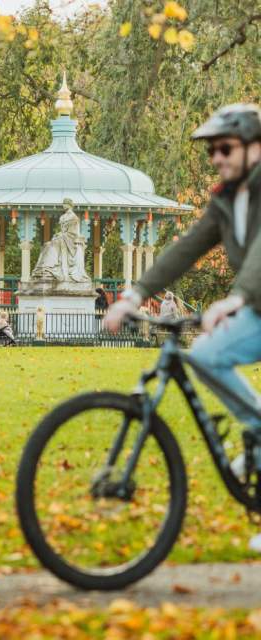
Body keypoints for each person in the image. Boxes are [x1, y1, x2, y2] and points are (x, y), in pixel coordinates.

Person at [104, 103, 261, 549]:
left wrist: (237, 297)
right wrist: (134, 295)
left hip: (254, 300)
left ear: (254, 148)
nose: (217, 158)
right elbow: (186, 249)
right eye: (212, 151)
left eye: (225, 148)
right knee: (207, 354)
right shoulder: (227, 200)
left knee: (211, 352)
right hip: (257, 309)